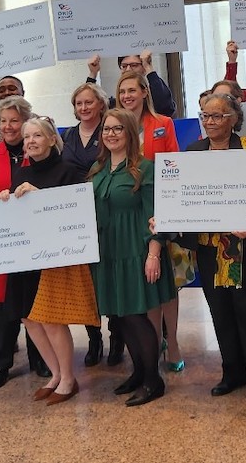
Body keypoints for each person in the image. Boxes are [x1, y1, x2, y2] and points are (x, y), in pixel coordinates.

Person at [176, 93, 246, 405]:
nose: (209, 122)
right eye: (205, 115)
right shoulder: (193, 151)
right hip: (209, 247)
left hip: (244, 245)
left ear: (234, 119)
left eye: (217, 116)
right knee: (221, 312)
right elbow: (185, 196)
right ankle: (231, 372)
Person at [0, 117, 99, 405]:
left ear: (52, 139)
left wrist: (41, 198)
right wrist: (3, 200)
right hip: (24, 256)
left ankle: (68, 378)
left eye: (37, 135)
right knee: (29, 318)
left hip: (53, 258)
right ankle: (54, 374)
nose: (30, 141)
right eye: (26, 137)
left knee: (52, 320)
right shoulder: (18, 173)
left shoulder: (69, 172)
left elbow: (75, 215)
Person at [89, 109, 175, 406]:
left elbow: (156, 215)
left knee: (137, 317)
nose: (111, 134)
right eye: (106, 129)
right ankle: (138, 372)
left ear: (129, 133)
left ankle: (154, 380)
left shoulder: (146, 169)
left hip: (135, 250)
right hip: (107, 253)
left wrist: (153, 253)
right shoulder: (97, 170)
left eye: (117, 129)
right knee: (120, 317)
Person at [0, 95, 49, 388]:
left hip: (34, 242)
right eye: (3, 121)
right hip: (1, 243)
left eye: (14, 120)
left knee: (34, 302)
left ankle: (40, 359)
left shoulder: (38, 152)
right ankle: (0, 364)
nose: (8, 126)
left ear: (26, 121)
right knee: (2, 307)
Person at [115, 70, 184, 372]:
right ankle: (155, 341)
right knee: (147, 280)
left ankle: (175, 341)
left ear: (144, 92)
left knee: (166, 280)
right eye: (122, 92)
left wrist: (168, 208)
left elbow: (175, 164)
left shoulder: (162, 124)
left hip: (162, 207)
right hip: (133, 211)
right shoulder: (116, 127)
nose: (127, 96)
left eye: (132, 90)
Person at [61, 82, 122, 368]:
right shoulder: (69, 135)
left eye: (88, 102)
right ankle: (94, 337)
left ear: (100, 104)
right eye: (78, 104)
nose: (83, 108)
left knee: (110, 273)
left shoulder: (110, 130)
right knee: (88, 280)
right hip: (76, 215)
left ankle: (117, 337)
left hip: (106, 209)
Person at [87, 52, 176, 117]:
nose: (128, 69)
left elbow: (166, 107)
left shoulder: (153, 103)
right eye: (124, 66)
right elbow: (89, 107)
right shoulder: (113, 108)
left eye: (134, 65)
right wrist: (93, 73)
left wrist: (149, 67)